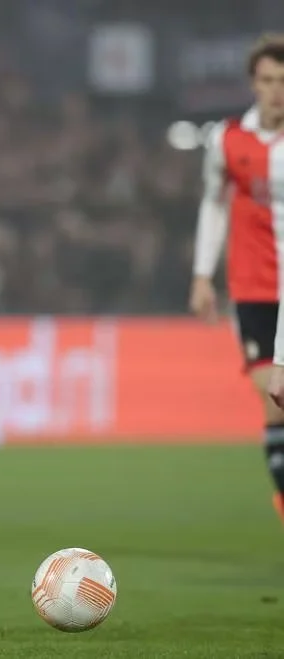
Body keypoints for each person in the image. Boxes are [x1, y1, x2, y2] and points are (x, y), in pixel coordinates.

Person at [192, 34, 284, 522]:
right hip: (254, 288)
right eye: (268, 80)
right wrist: (202, 275)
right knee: (274, 399)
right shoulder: (228, 140)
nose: (277, 92)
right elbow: (213, 203)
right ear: (253, 84)